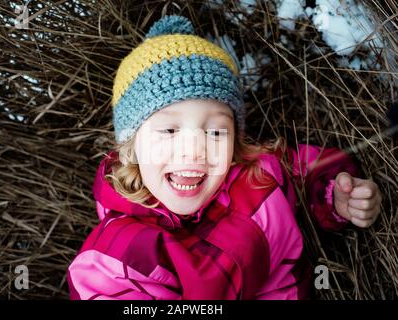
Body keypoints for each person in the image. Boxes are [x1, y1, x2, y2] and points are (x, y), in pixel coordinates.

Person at [67, 15, 382, 300]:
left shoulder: (260, 173)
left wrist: (333, 196)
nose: (194, 150)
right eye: (169, 130)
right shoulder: (118, 257)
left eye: (215, 132)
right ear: (131, 146)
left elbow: (311, 167)